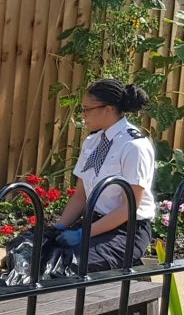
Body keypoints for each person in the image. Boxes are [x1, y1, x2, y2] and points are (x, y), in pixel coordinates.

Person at [53, 78, 156, 272]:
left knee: (70, 266)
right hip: (94, 222)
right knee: (41, 254)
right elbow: (80, 196)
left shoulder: (134, 146)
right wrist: (59, 228)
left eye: (87, 109)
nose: (83, 115)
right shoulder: (92, 142)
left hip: (125, 231)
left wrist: (84, 234)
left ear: (107, 109)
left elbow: (129, 208)